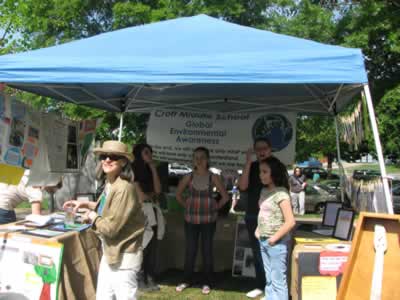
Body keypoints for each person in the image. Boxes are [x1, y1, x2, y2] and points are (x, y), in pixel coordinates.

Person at [63, 140, 145, 300]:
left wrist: (92, 217)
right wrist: (85, 204)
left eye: (113, 157)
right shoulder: (111, 183)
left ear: (123, 162)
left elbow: (111, 228)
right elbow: (109, 208)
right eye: (104, 156)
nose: (107, 160)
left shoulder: (123, 188)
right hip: (111, 253)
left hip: (124, 257)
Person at [175, 147, 229, 295]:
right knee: (190, 250)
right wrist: (187, 205)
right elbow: (178, 195)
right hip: (190, 220)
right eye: (196, 157)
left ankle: (207, 281)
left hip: (208, 221)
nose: (199, 160)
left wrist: (215, 207)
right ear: (193, 159)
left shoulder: (213, 177)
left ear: (207, 159)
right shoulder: (188, 177)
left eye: (202, 157)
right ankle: (186, 279)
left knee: (207, 251)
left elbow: (225, 197)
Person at [255, 156, 296, 300]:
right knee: (269, 277)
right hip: (264, 240)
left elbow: (290, 221)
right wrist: (258, 230)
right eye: (260, 172)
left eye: (265, 172)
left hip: (276, 243)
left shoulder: (281, 193)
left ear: (274, 173)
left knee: (278, 280)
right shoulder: (263, 191)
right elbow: (263, 213)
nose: (261, 175)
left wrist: (274, 238)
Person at [238, 137, 272, 299]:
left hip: (271, 216)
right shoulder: (251, 166)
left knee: (270, 252)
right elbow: (243, 186)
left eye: (264, 148)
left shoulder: (276, 166)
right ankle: (260, 285)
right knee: (257, 252)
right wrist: (248, 162)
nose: (261, 151)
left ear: (270, 149)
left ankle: (272, 287)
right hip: (252, 214)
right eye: (258, 149)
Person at [132, 143, 165, 291]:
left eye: (150, 152)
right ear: (139, 153)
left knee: (152, 247)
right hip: (140, 213)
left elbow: (158, 190)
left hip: (153, 211)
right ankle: (139, 278)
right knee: (142, 246)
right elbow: (141, 196)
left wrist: (152, 168)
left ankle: (150, 277)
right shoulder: (132, 169)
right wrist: (150, 196)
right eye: (146, 152)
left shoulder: (152, 170)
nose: (149, 155)